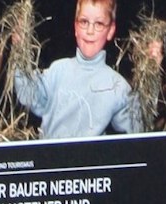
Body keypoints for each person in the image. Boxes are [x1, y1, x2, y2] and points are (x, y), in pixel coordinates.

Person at [11, 0, 135, 138]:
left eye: (99, 24)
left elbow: (136, 131)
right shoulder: (58, 70)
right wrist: (19, 51)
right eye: (84, 22)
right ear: (75, 27)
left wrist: (151, 75)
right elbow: (29, 95)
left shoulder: (117, 86)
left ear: (110, 30)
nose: (90, 31)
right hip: (51, 156)